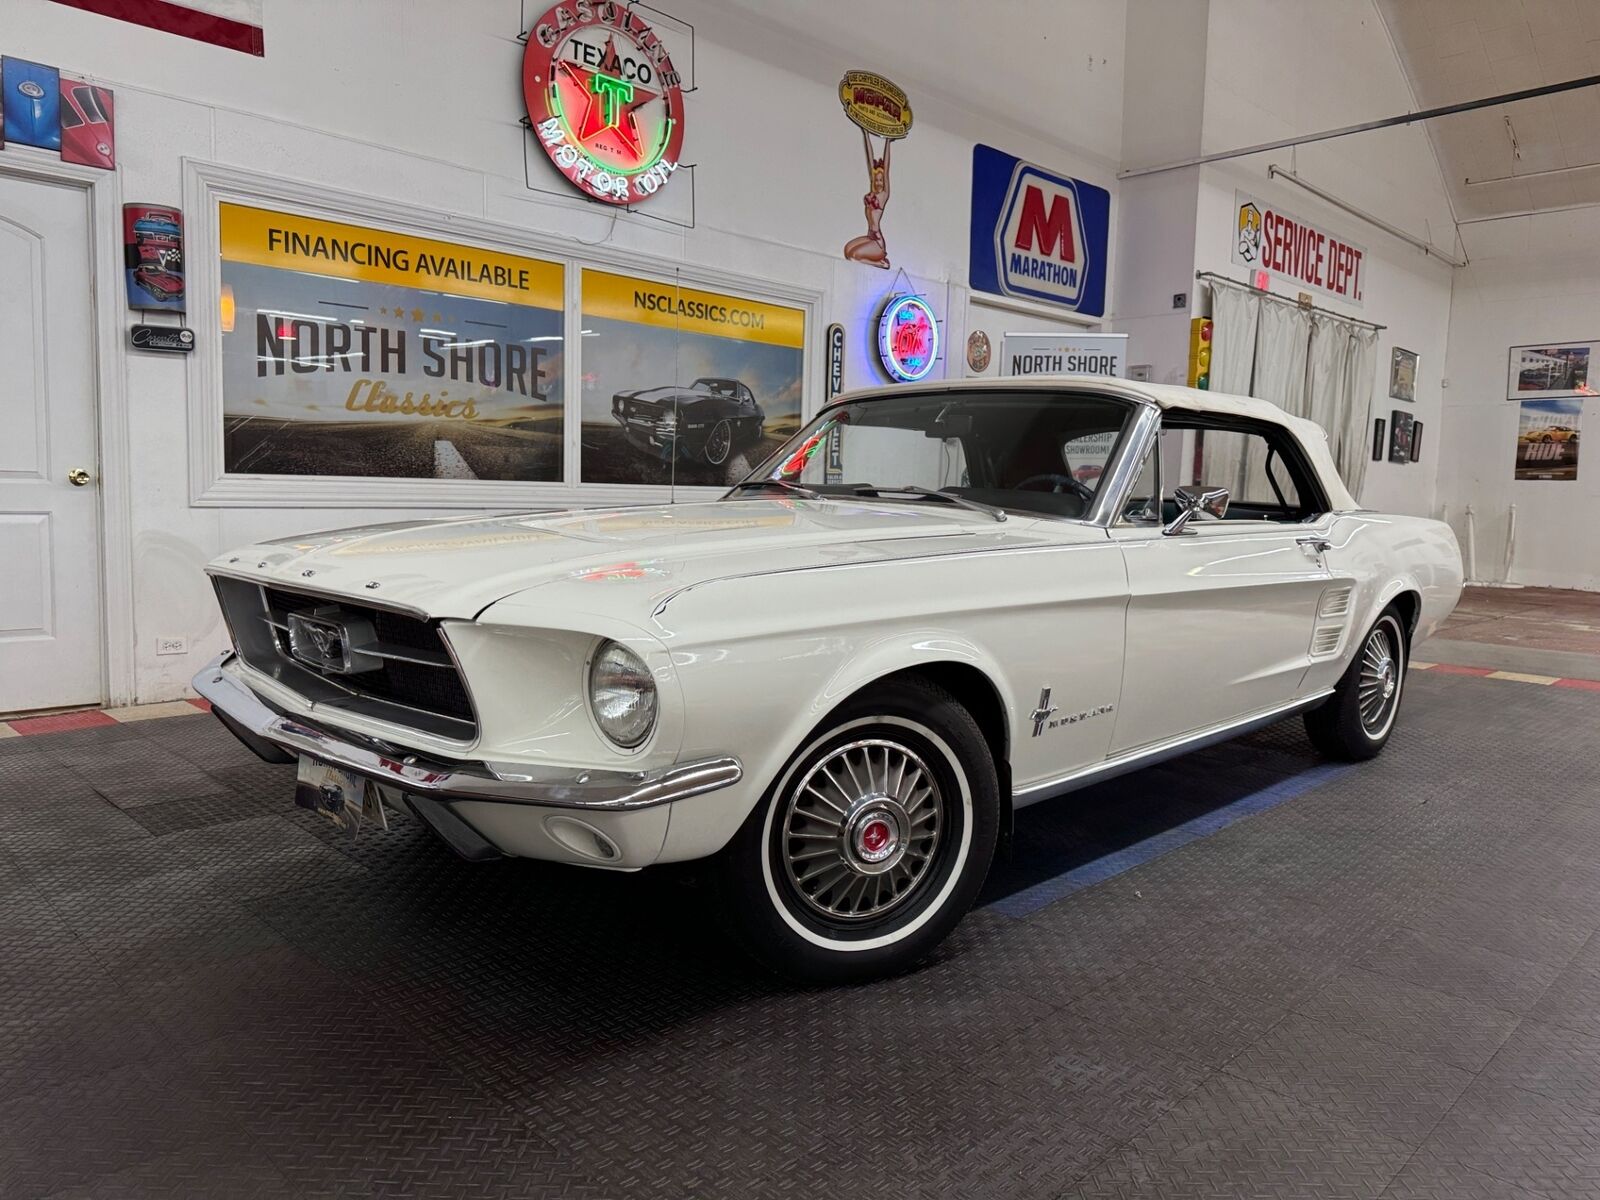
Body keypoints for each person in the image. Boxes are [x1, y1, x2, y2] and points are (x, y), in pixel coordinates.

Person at [843, 128, 891, 269]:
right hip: (870, 236)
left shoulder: (883, 195)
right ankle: (877, 260)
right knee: (847, 251)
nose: (878, 183)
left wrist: (888, 142)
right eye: (876, 180)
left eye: (881, 180)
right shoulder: (872, 192)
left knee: (853, 257)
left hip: (877, 242)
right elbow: (870, 161)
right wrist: (866, 134)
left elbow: (886, 168)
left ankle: (880, 263)